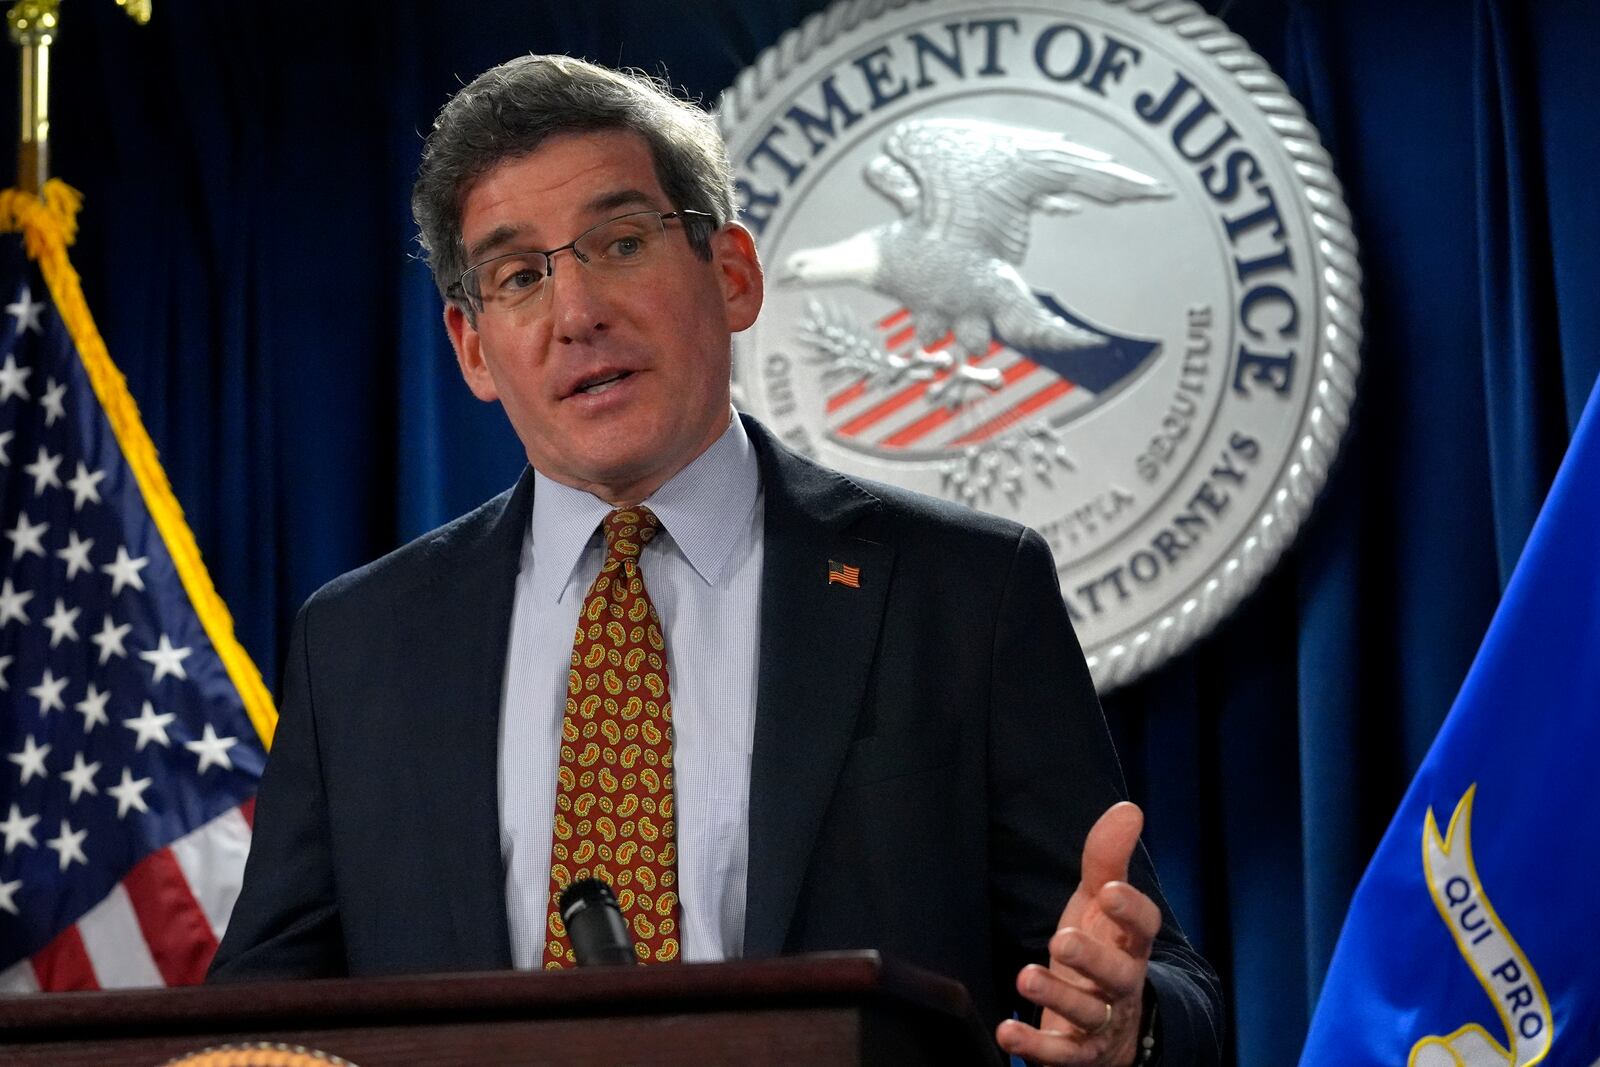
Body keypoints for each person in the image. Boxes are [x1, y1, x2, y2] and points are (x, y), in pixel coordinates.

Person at [210, 54, 1223, 1066]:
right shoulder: (362, 640)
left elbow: (1166, 992)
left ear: (731, 274)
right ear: (474, 348)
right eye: (519, 276)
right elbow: (251, 1030)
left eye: (619, 242)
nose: (577, 314)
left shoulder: (961, 594)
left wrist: (1127, 1026)